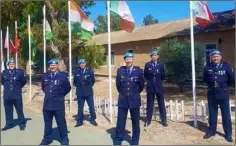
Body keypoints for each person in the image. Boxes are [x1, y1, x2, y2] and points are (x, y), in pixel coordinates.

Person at [203, 50, 234, 142]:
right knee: (212, 114)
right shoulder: (207, 66)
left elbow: (232, 78)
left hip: (223, 94)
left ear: (220, 57)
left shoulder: (226, 66)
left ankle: (228, 134)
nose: (215, 58)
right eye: (213, 56)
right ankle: (211, 131)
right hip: (212, 93)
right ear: (211, 57)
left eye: (217, 56)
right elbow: (205, 78)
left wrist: (224, 86)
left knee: (226, 115)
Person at [114, 52, 145, 145]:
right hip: (123, 99)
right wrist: (124, 93)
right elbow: (118, 85)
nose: (128, 60)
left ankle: (135, 140)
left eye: (130, 58)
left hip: (134, 100)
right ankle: (118, 139)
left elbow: (141, 86)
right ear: (125, 60)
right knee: (120, 122)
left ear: (132, 59)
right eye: (127, 59)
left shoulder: (139, 71)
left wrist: (134, 93)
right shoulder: (120, 71)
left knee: (135, 122)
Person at [40, 59, 71, 145]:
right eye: (51, 65)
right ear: (49, 66)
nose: (52, 67)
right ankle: (47, 138)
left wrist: (59, 95)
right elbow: (43, 87)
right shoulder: (45, 76)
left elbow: (67, 88)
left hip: (58, 104)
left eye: (54, 65)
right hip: (47, 104)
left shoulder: (63, 76)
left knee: (61, 122)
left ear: (57, 66)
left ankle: (64, 139)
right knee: (47, 123)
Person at [1, 58, 27, 131]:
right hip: (7, 95)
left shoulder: (20, 72)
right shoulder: (4, 73)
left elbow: (24, 81)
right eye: (10, 64)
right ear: (8, 65)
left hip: (16, 95)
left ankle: (22, 123)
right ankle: (9, 124)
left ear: (15, 65)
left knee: (19, 110)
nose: (11, 65)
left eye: (13, 64)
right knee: (8, 110)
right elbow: (2, 82)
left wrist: (18, 87)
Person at [144, 49, 167, 127]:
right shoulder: (147, 65)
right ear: (151, 56)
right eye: (152, 55)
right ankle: (148, 119)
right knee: (150, 104)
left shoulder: (161, 65)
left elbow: (163, 76)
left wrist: (158, 82)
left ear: (158, 56)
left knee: (161, 103)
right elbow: (145, 75)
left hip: (159, 87)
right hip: (150, 87)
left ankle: (164, 120)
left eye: (155, 55)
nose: (154, 56)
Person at [73, 59, 97, 127]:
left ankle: (93, 120)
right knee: (80, 107)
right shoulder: (76, 71)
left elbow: (93, 80)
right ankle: (79, 121)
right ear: (79, 64)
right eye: (80, 63)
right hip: (80, 92)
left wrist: (88, 87)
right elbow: (75, 82)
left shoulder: (89, 71)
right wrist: (79, 87)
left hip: (88, 92)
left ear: (85, 63)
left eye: (83, 63)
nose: (82, 64)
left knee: (91, 107)